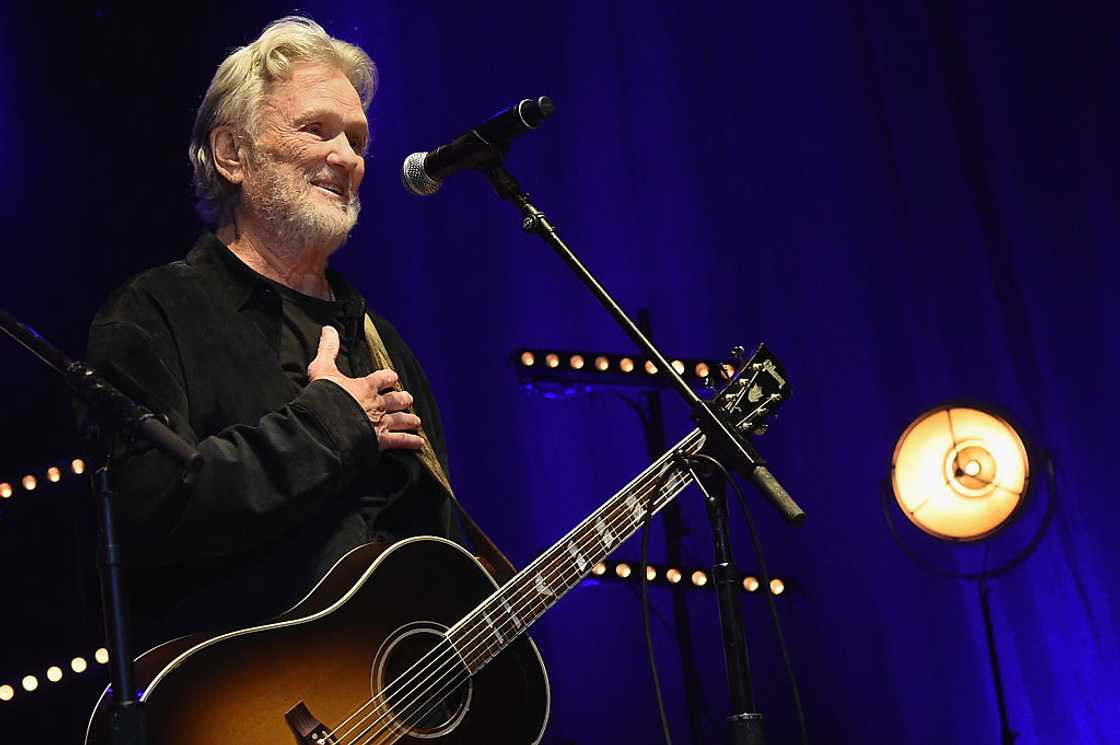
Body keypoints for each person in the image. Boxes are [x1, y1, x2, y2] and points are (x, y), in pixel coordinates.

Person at [84, 16, 460, 649]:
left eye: (358, 140)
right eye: (317, 130)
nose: (347, 158)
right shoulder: (155, 312)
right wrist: (330, 424)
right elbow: (147, 519)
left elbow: (434, 550)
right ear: (233, 154)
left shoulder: (382, 343)